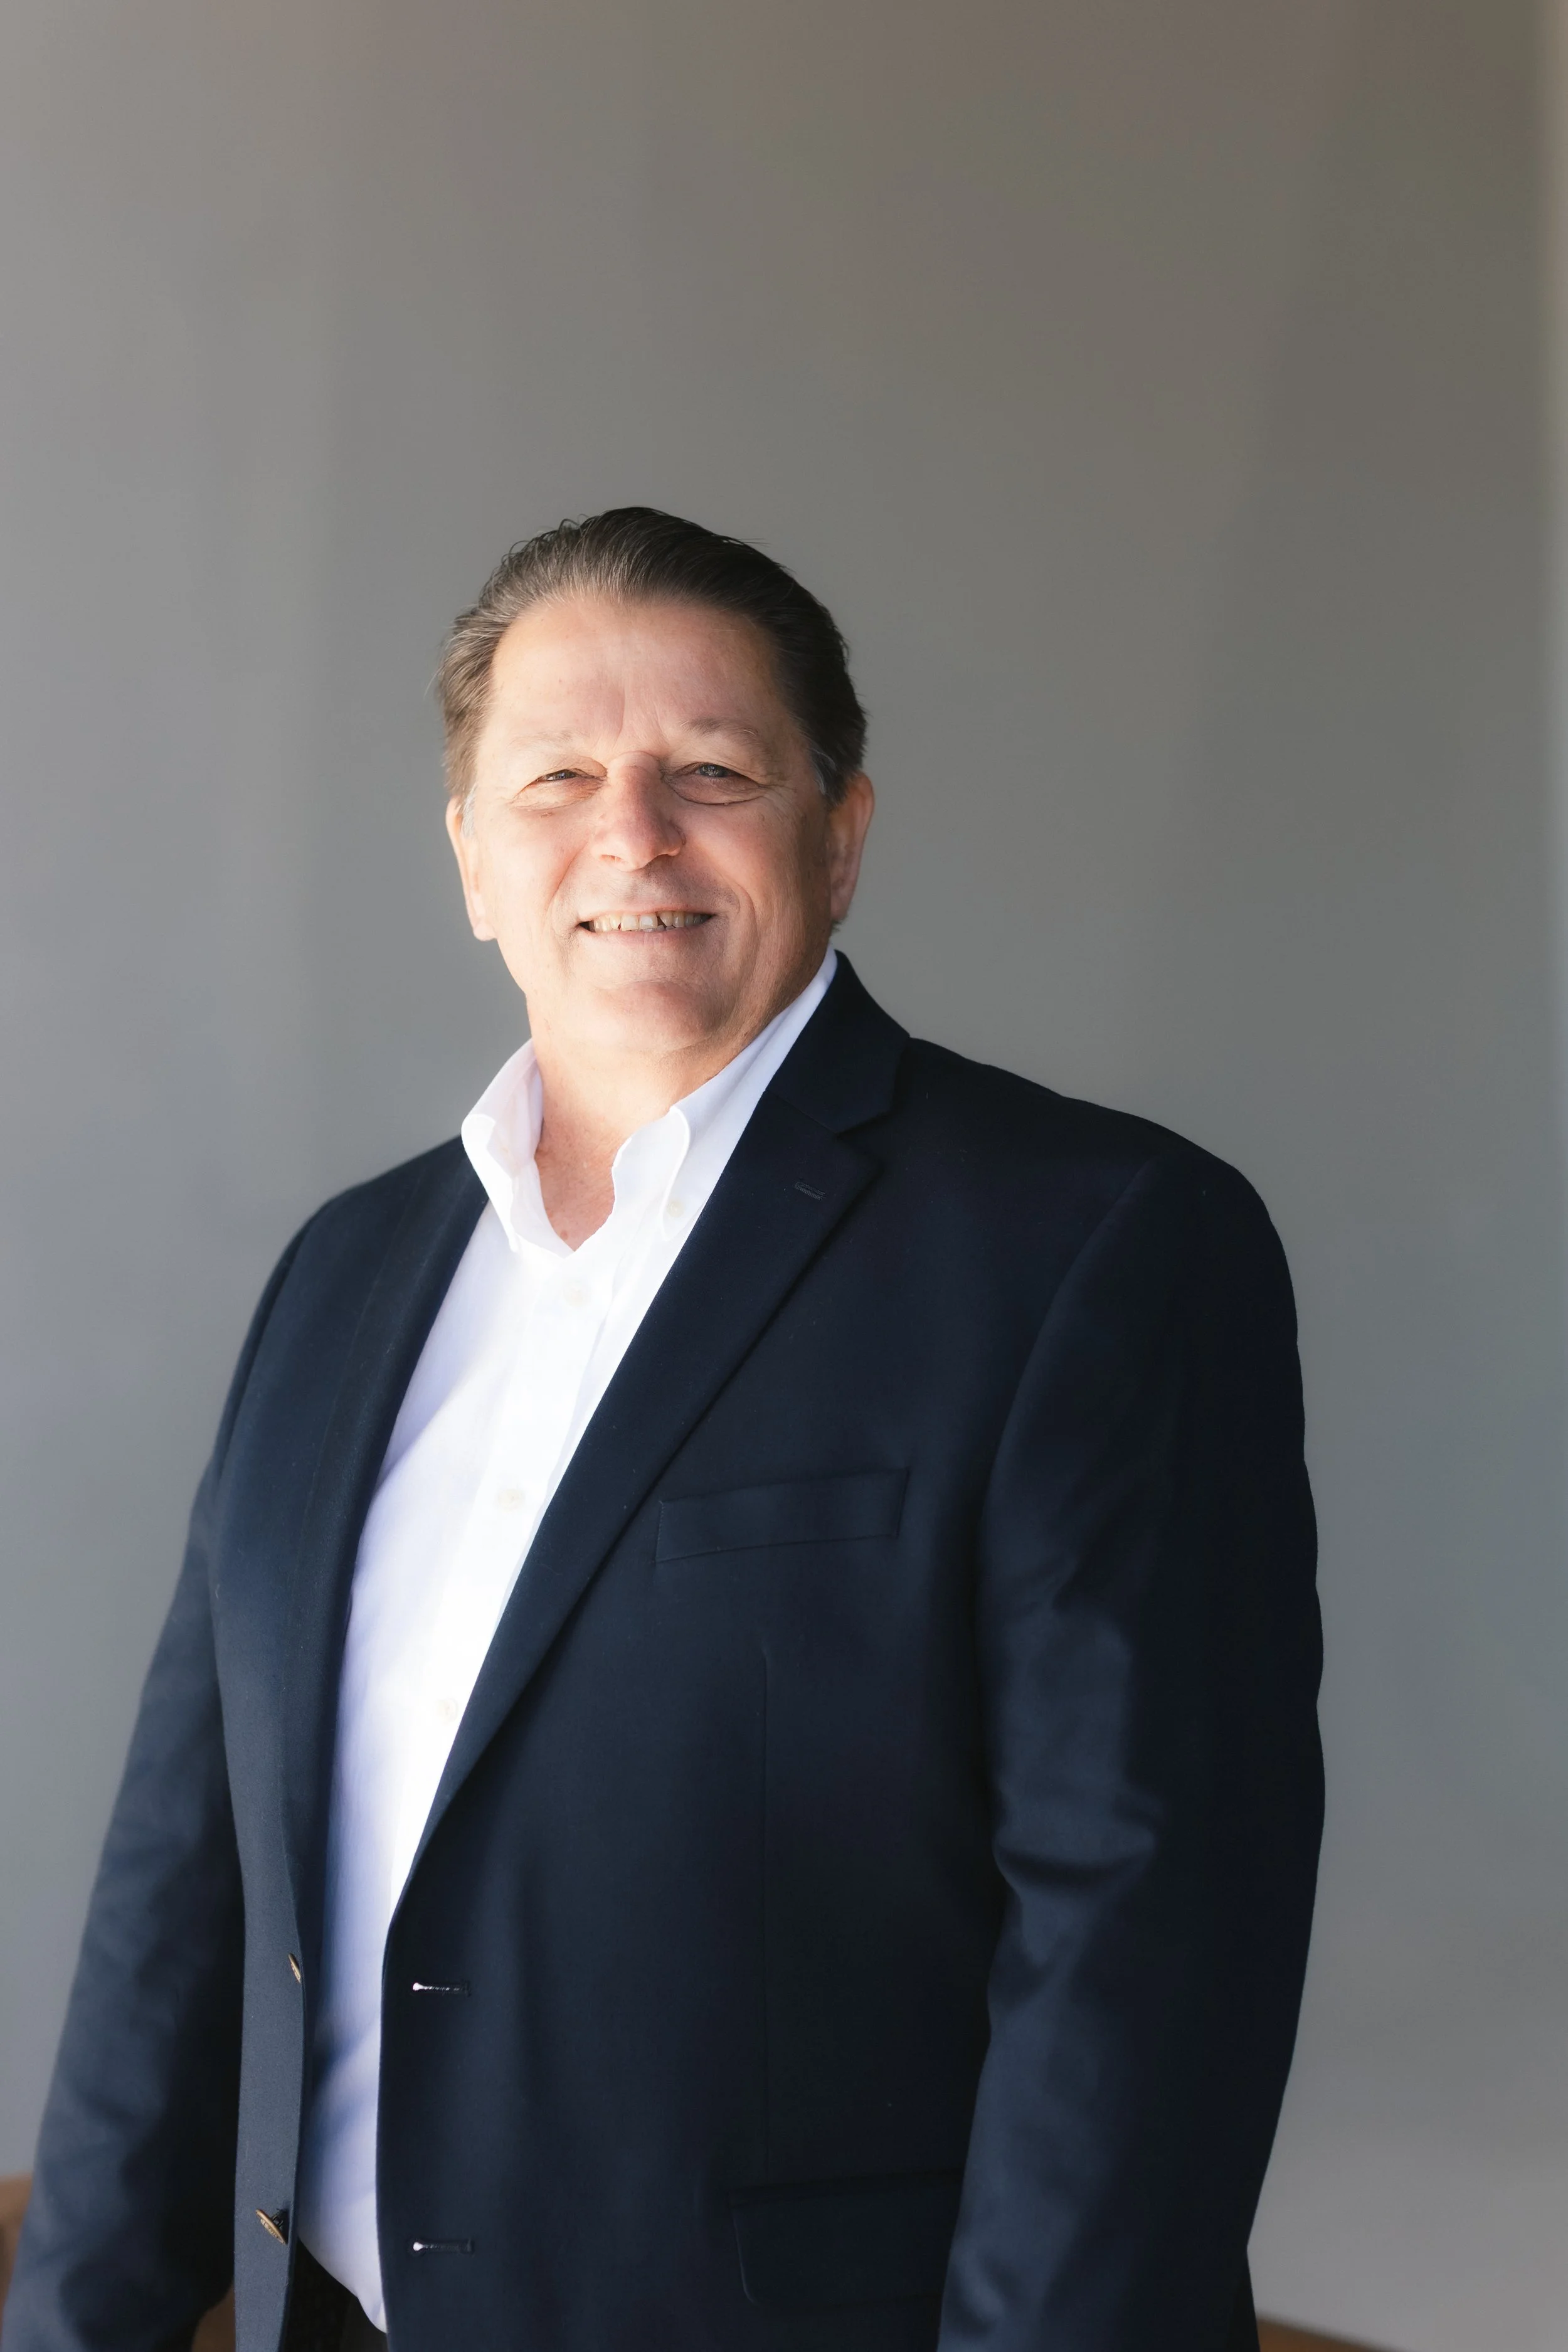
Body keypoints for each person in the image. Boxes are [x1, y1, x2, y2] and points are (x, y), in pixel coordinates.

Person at [7, 509, 1322, 2352]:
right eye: (555, 777)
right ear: (472, 858)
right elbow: (184, 1885)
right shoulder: (344, 1271)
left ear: (839, 834)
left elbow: (1144, 1945)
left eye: (712, 770)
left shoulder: (1093, 1244)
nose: (631, 834)